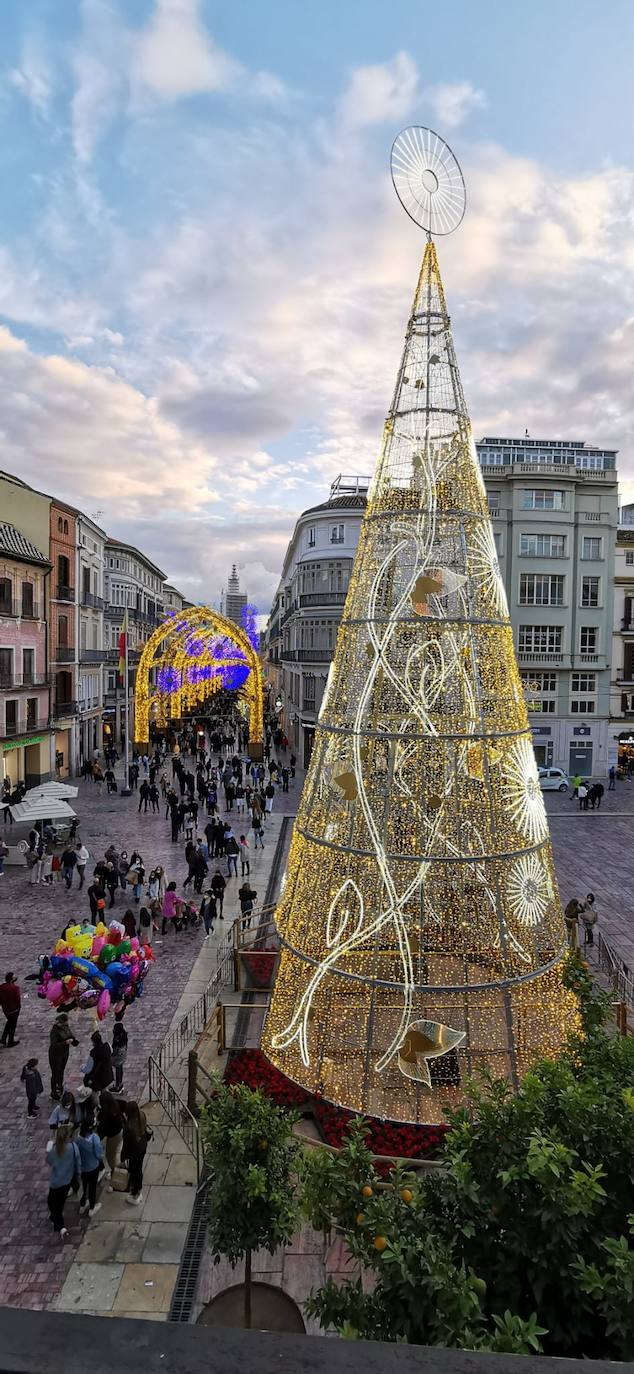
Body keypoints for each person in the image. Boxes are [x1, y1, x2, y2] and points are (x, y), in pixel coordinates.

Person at [46, 1123, 81, 1240]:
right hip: (67, 1181)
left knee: (52, 1203)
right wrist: (78, 1174)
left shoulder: (54, 1150)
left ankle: (60, 1227)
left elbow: (49, 1162)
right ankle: (57, 1222)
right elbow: (77, 1162)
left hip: (56, 1182)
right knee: (59, 1203)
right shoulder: (73, 1147)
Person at [121, 1100, 150, 1206]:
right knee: (138, 1169)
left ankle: (135, 1192)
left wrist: (123, 1158)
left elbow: (126, 1145)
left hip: (133, 1152)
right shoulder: (141, 1115)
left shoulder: (128, 1127)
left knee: (134, 1171)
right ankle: (138, 1189)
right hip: (142, 1146)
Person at [77, 1118, 105, 1217]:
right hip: (93, 1167)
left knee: (84, 1186)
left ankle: (83, 1204)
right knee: (92, 1188)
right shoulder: (94, 1138)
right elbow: (98, 1154)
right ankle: (92, 1208)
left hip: (83, 1168)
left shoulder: (78, 1138)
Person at [49, 1013, 79, 1099]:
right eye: (66, 1022)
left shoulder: (66, 1026)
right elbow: (54, 1045)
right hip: (55, 1055)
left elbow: (70, 1034)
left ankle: (60, 1086)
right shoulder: (54, 1031)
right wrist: (65, 1043)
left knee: (61, 1070)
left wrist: (74, 1041)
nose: (67, 1023)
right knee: (55, 1073)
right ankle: (54, 1091)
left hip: (64, 1053)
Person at [97, 1090, 123, 1179]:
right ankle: (115, 1171)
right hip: (118, 1133)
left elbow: (103, 1129)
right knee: (112, 1155)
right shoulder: (115, 1106)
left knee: (110, 1156)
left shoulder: (109, 1114)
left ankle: (115, 1173)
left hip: (113, 1136)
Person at [0, 971, 21, 1047]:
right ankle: (10, 1041)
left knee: (9, 1023)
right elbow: (17, 1000)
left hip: (6, 1010)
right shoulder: (15, 988)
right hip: (14, 1010)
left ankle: (3, 1038)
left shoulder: (1, 987)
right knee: (12, 1026)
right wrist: (19, 1008)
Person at [111, 1019, 128, 1093]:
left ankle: (118, 1086)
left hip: (117, 1056)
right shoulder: (124, 1035)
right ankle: (120, 1084)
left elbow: (114, 1049)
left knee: (118, 1070)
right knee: (120, 1069)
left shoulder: (118, 1038)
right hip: (123, 1055)